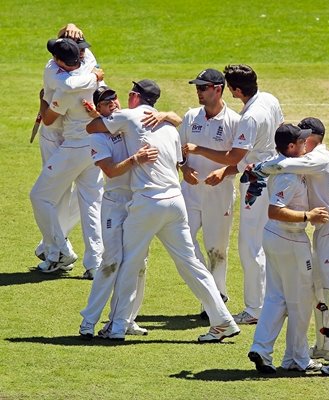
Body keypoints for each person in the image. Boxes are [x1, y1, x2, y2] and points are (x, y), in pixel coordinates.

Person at [86, 79, 239, 342]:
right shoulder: (168, 126)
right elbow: (178, 155)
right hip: (175, 202)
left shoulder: (129, 116)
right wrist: (168, 115)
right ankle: (223, 320)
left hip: (148, 202)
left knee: (130, 263)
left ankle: (118, 326)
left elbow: (93, 126)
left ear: (135, 96)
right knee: (191, 264)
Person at [254, 117, 329, 376]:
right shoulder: (314, 159)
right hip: (323, 231)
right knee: (322, 293)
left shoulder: (316, 158)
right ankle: (327, 348)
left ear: (312, 140)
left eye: (305, 138)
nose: (303, 142)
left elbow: (285, 164)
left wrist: (257, 168)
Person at [183, 64, 284, 325]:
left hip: (256, 181)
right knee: (256, 245)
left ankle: (255, 309)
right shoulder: (269, 99)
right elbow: (281, 131)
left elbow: (234, 157)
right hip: (268, 175)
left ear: (232, 89)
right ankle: (254, 304)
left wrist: (200, 150)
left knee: (250, 248)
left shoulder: (247, 118)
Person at [248, 124, 329, 374]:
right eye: (302, 142)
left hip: (275, 238)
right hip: (289, 240)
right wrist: (308, 215)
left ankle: (261, 349)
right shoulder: (288, 175)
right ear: (291, 147)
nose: (306, 145)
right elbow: (275, 209)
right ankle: (298, 359)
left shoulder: (282, 163)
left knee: (276, 298)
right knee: (301, 302)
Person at [79, 87, 157, 339]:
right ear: (97, 109)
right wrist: (136, 159)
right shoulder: (98, 137)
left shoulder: (126, 121)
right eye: (105, 102)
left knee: (139, 264)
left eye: (114, 99)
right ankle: (88, 321)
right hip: (115, 203)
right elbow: (111, 171)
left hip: (138, 202)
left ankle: (125, 319)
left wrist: (165, 114)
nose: (112, 103)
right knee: (111, 262)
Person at [33, 24, 104, 271]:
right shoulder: (80, 67)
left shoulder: (63, 81)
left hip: (69, 141)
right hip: (92, 144)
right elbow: (92, 74)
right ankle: (94, 262)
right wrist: (70, 26)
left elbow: (54, 112)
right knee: (90, 201)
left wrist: (43, 103)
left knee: (46, 196)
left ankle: (57, 251)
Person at [178, 69, 240, 317]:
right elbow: (178, 151)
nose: (199, 92)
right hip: (190, 192)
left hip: (219, 193)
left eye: (203, 88)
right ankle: (211, 291)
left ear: (218, 89)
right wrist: (183, 169)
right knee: (184, 243)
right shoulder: (191, 116)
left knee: (217, 249)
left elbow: (241, 160)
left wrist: (224, 172)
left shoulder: (234, 121)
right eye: (197, 88)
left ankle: (217, 298)